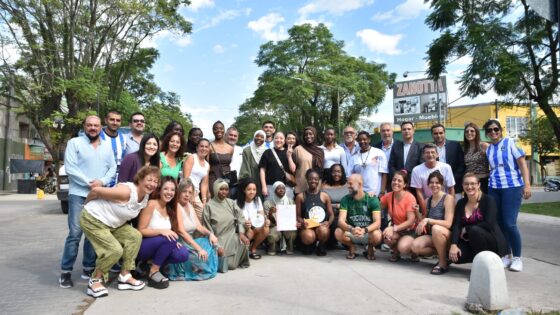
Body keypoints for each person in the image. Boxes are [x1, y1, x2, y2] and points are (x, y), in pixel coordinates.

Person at [78, 166, 160, 297]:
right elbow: (96, 191)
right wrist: (86, 206)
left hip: (113, 224)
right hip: (93, 219)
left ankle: (125, 276)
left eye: (155, 181)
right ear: (140, 179)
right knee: (114, 250)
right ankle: (95, 280)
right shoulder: (126, 192)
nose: (152, 184)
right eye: (149, 180)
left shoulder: (145, 197)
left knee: (135, 236)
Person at [59, 115, 116, 289]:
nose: (93, 128)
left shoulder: (106, 147)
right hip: (78, 194)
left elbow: (112, 168)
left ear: (101, 127)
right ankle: (65, 271)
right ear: (84, 126)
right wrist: (89, 182)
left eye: (96, 125)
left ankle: (88, 267)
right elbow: (70, 167)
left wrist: (103, 182)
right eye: (89, 125)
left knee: (93, 234)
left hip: (98, 195)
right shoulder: (75, 143)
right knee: (75, 234)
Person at [484, 119, 531, 272]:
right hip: (494, 187)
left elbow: (522, 163)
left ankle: (517, 258)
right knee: (499, 223)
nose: (493, 132)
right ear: (487, 133)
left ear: (500, 130)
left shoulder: (510, 142)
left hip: (512, 187)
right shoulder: (489, 149)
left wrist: (527, 184)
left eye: (496, 129)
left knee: (510, 223)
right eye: (490, 130)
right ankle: (506, 255)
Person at [137, 176, 189, 289]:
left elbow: (169, 235)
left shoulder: (170, 208)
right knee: (170, 237)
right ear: (159, 190)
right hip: (143, 246)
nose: (169, 192)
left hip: (161, 244)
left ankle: (149, 265)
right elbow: (141, 230)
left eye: (172, 190)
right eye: (166, 189)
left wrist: (171, 241)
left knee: (183, 254)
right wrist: (163, 232)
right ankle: (153, 271)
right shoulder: (152, 203)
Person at [449, 173, 508, 266]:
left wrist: (467, 229)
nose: (469, 186)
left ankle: (483, 265)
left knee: (474, 230)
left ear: (478, 185)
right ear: (462, 186)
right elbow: (457, 225)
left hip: (492, 240)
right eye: (466, 184)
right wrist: (453, 245)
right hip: (472, 241)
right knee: (456, 257)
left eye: (473, 183)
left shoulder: (488, 200)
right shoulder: (461, 203)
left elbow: (489, 224)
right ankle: (477, 259)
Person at [167, 179, 219, 281]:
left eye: (190, 192)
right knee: (200, 256)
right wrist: (199, 249)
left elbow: (199, 227)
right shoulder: (176, 206)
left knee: (210, 243)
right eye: (184, 191)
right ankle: (189, 269)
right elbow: (181, 231)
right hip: (181, 243)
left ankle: (202, 265)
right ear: (179, 192)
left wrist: (210, 234)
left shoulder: (189, 205)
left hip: (191, 241)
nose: (187, 195)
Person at [411, 171, 455, 274]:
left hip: (446, 235)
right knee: (415, 247)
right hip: (433, 235)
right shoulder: (428, 200)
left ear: (442, 184)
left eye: (437, 182)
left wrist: (428, 220)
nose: (434, 185)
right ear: (428, 184)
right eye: (431, 182)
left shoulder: (448, 198)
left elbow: (448, 223)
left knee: (436, 228)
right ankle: (443, 254)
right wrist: (417, 212)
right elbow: (424, 220)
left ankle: (442, 262)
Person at [203, 179, 250, 270]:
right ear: (216, 189)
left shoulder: (231, 203)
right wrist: (217, 245)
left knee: (242, 244)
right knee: (230, 265)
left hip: (232, 236)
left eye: (226, 189)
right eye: (221, 189)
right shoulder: (209, 206)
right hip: (218, 239)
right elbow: (207, 228)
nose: (224, 192)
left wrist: (241, 233)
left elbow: (240, 217)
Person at [335, 174, 382, 260]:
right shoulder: (345, 199)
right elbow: (340, 221)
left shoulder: (372, 199)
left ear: (360, 184)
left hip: (368, 233)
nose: (348, 186)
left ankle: (370, 247)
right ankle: (352, 247)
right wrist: (351, 229)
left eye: (350, 184)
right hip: (352, 232)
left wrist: (365, 230)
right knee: (338, 232)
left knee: (377, 235)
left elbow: (377, 222)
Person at [380, 170, 418, 262]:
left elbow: (410, 221)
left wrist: (393, 228)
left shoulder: (410, 198)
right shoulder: (388, 196)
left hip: (410, 230)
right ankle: (395, 252)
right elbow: (377, 208)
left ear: (405, 185)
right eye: (394, 180)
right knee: (386, 237)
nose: (396, 182)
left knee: (403, 247)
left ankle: (414, 252)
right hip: (397, 229)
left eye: (399, 181)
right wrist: (370, 198)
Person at [295, 169, 334, 256]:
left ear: (319, 180)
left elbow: (331, 215)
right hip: (308, 226)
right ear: (307, 179)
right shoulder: (300, 196)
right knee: (308, 236)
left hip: (321, 225)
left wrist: (328, 223)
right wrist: (302, 222)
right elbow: (297, 216)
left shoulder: (325, 196)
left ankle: (321, 245)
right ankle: (310, 244)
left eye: (316, 179)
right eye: (310, 178)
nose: (313, 181)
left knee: (324, 231)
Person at [410, 144, 455, 217]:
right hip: (428, 203)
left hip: (445, 202)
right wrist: (425, 211)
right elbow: (419, 192)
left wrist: (451, 207)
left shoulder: (446, 167)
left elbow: (451, 188)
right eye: (427, 153)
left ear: (437, 154)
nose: (430, 155)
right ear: (423, 155)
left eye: (432, 152)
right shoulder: (416, 170)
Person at [237, 179, 269, 259]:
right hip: (244, 228)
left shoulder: (257, 200)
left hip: (255, 225)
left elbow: (261, 215)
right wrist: (245, 223)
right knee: (249, 232)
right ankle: (245, 249)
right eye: (249, 189)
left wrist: (265, 220)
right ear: (244, 190)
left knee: (266, 228)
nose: (252, 192)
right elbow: (237, 220)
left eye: (254, 189)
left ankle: (253, 248)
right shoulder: (236, 202)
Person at [431, 123, 465, 198]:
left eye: (441, 133)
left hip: (454, 186)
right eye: (435, 133)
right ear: (432, 135)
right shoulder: (429, 148)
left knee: (455, 208)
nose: (438, 135)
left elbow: (461, 165)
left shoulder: (455, 145)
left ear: (444, 133)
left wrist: (451, 179)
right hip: (436, 187)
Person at [263, 181, 297, 255]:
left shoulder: (290, 201)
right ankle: (273, 248)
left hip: (287, 225)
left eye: (283, 188)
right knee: (272, 235)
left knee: (292, 233)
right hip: (274, 226)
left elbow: (293, 217)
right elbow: (267, 221)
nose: (281, 190)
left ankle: (289, 247)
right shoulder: (267, 203)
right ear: (274, 190)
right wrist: (271, 214)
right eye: (278, 188)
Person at [288, 126, 324, 195]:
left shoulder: (320, 151)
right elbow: (293, 169)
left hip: (316, 185)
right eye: (306, 134)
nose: (308, 136)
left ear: (315, 135)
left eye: (310, 134)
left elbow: (321, 170)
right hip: (301, 186)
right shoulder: (298, 149)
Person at [351, 131, 388, 196]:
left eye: (364, 139)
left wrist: (382, 191)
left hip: (375, 193)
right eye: (360, 140)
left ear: (369, 140)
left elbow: (384, 174)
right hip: (359, 193)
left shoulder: (379, 153)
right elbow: (350, 175)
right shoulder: (354, 157)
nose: (362, 141)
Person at [183, 138, 211, 222]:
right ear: (197, 148)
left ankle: (197, 235)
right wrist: (189, 194)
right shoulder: (192, 158)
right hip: (185, 191)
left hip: (196, 193)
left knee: (203, 217)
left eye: (206, 147)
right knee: (186, 217)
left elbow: (204, 184)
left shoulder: (207, 165)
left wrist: (204, 200)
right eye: (201, 146)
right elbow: (186, 178)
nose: (204, 148)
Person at [259, 131, 293, 199]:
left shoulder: (289, 152)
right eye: (276, 138)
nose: (278, 140)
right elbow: (262, 170)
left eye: (281, 138)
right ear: (273, 140)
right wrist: (264, 186)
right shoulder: (267, 152)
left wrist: (289, 156)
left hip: (286, 187)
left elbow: (293, 169)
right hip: (270, 187)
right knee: (271, 208)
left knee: (287, 208)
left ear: (284, 140)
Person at [100, 110, 127, 187]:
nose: (115, 122)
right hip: (101, 180)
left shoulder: (123, 138)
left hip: (117, 182)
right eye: (112, 119)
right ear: (106, 120)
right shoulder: (98, 136)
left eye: (118, 120)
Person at [209, 121, 234, 196]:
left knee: (226, 201)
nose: (218, 130)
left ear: (224, 130)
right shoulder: (209, 146)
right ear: (213, 131)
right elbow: (206, 166)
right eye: (216, 129)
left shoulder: (230, 148)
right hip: (213, 178)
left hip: (226, 179)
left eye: (221, 128)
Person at [463, 122, 490, 194]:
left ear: (477, 133)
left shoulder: (484, 146)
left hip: (483, 182)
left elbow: (493, 163)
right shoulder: (465, 149)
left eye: (472, 131)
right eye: (467, 131)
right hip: (469, 182)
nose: (469, 133)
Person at [239, 130, 266, 197]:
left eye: (262, 137)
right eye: (257, 136)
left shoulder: (267, 151)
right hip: (251, 182)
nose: (259, 138)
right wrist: (249, 183)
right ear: (254, 137)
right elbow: (245, 168)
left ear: (264, 139)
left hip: (264, 183)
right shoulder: (247, 150)